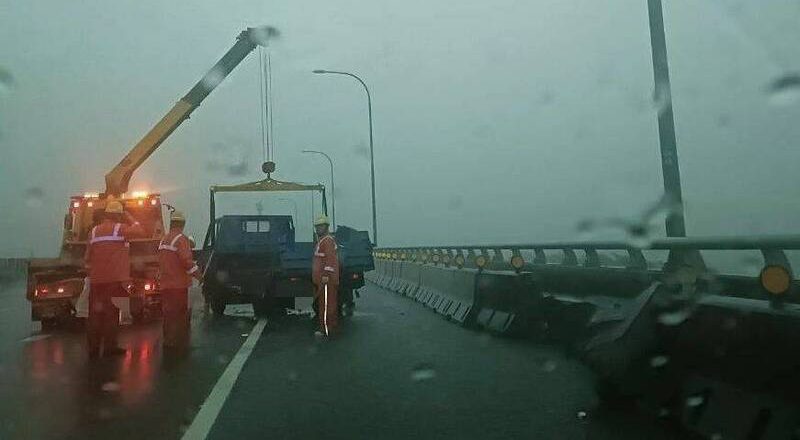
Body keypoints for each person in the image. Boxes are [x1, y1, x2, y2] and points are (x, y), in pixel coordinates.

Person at [84, 199, 145, 358]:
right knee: (111, 314)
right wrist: (129, 216)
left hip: (97, 280)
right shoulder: (119, 229)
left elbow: (87, 258)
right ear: (118, 216)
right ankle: (110, 348)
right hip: (115, 281)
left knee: (95, 315)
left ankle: (93, 349)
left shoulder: (94, 231)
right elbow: (140, 231)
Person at [157, 210, 202, 353]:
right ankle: (178, 342)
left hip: (166, 284)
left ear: (171, 223)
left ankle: (168, 340)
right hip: (179, 285)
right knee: (180, 314)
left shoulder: (164, 239)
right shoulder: (181, 239)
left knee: (168, 314)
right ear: (182, 224)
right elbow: (186, 262)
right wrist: (199, 276)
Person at [312, 215, 339, 337]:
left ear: (326, 227)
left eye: (320, 226)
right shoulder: (322, 241)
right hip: (323, 280)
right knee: (324, 304)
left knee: (327, 305)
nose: (318, 229)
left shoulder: (327, 241)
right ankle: (328, 327)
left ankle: (326, 329)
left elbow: (330, 259)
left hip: (326, 280)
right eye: (317, 226)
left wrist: (326, 275)